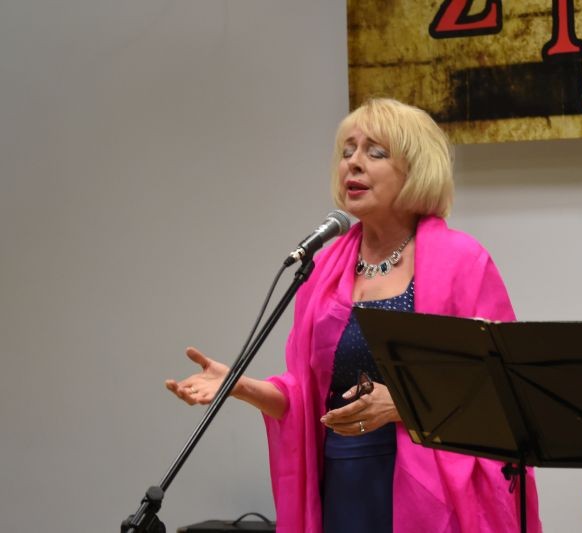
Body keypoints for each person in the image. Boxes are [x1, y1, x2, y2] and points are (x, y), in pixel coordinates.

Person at [166, 98, 542, 532]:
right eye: (347, 151)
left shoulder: (462, 262)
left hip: (431, 489)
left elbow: (500, 389)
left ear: (415, 169)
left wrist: (403, 406)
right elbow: (307, 395)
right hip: (344, 480)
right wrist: (239, 385)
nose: (353, 163)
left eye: (375, 153)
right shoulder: (324, 269)